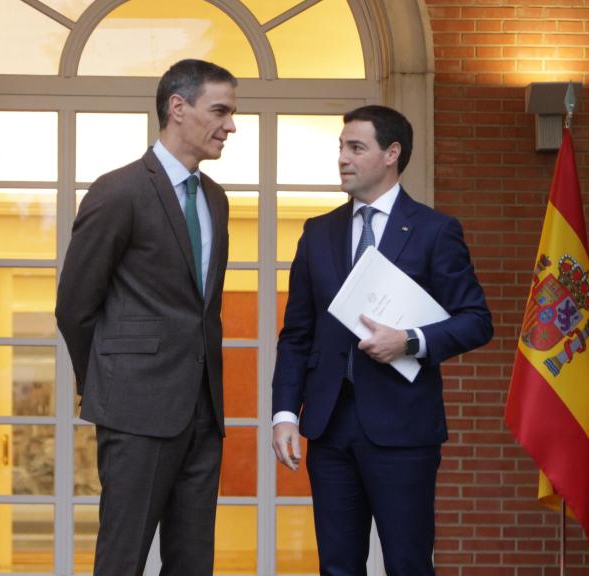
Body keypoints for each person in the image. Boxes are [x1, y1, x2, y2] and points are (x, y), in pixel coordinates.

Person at [271, 105, 493, 575]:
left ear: (392, 154)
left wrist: (410, 340)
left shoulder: (435, 231)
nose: (343, 158)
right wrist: (285, 414)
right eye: (340, 147)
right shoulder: (317, 233)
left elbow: (476, 320)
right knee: (336, 565)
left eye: (356, 147)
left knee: (408, 564)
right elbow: (296, 335)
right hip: (329, 428)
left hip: (404, 431)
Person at [56, 59, 237, 576]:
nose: (231, 125)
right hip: (135, 410)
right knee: (123, 557)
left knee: (192, 560)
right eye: (220, 111)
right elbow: (75, 306)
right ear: (177, 108)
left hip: (203, 412)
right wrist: (108, 385)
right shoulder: (118, 191)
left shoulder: (216, 201)